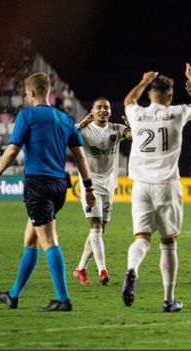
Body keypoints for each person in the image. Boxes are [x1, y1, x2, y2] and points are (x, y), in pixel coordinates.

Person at [0, 72, 96, 312]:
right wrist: (88, 188)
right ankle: (13, 295)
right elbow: (79, 156)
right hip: (60, 187)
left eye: (26, 93)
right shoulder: (65, 119)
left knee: (49, 241)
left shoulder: (27, 115)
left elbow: (13, 149)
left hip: (38, 185)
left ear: (31, 93)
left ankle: (63, 299)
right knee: (30, 239)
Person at [121, 64, 191, 312]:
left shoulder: (137, 114)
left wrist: (143, 80)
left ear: (150, 95)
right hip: (166, 185)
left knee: (141, 238)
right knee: (168, 243)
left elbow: (128, 99)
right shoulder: (177, 113)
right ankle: (169, 301)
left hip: (140, 186)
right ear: (170, 97)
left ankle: (132, 269)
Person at [71, 98, 133, 286]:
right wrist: (81, 123)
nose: (103, 110)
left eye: (106, 107)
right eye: (99, 107)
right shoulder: (83, 129)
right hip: (90, 184)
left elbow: (132, 136)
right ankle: (102, 270)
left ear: (110, 112)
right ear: (92, 111)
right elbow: (66, 135)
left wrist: (133, 126)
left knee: (99, 230)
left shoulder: (116, 129)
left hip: (109, 184)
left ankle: (80, 268)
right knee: (96, 227)